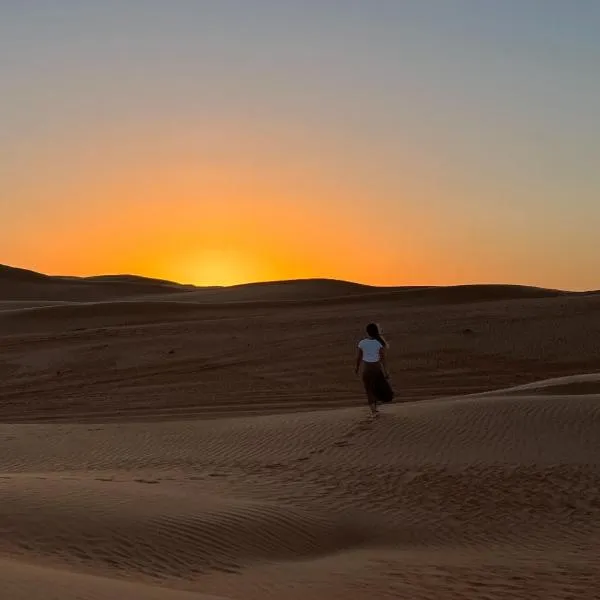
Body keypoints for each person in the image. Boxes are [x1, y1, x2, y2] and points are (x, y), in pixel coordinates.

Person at [355, 323, 392, 417]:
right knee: (378, 388)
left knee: (369, 389)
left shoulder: (362, 342)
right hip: (376, 369)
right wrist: (386, 371)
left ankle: (373, 411)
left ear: (367, 332)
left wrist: (357, 368)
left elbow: (359, 357)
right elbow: (383, 359)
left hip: (367, 369)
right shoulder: (379, 343)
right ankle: (376, 407)